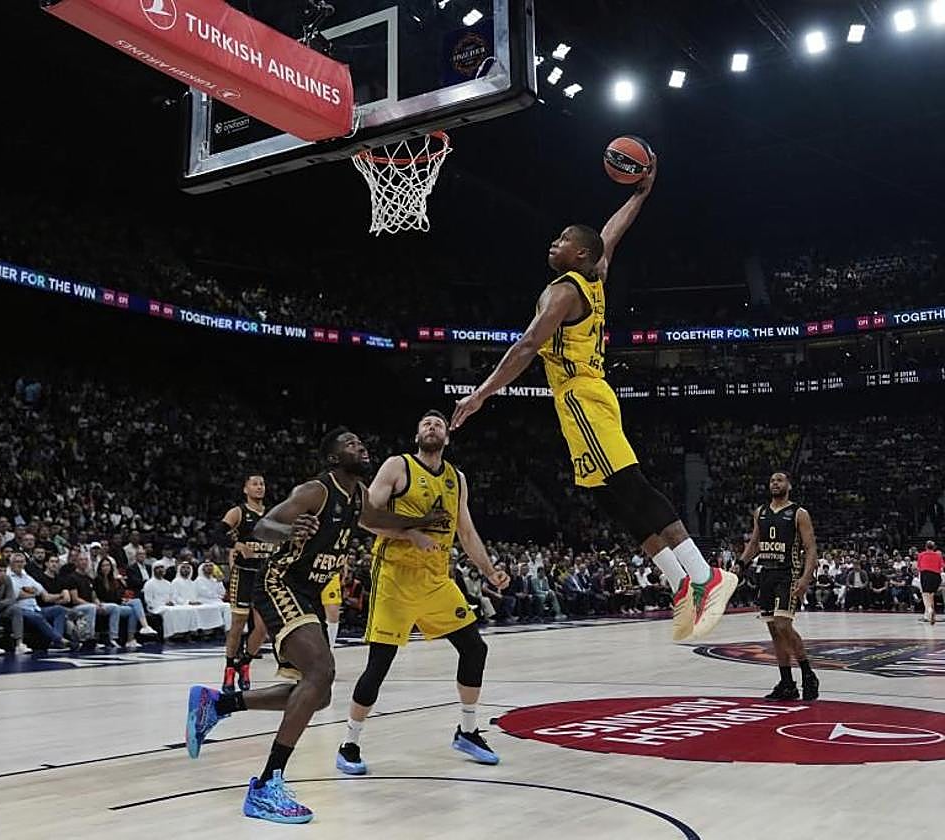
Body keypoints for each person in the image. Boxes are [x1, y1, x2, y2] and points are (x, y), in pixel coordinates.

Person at [449, 157, 737, 642]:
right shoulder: (596, 273)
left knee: (630, 485)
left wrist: (481, 393)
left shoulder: (562, 292)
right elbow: (611, 231)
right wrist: (640, 195)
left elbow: (526, 346)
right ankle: (679, 582)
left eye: (562, 240)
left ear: (580, 256)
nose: (553, 243)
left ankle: (705, 574)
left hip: (581, 395)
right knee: (608, 494)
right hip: (583, 397)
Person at [184, 427, 445, 824]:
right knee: (322, 672)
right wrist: (290, 530)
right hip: (279, 585)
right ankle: (266, 785)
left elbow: (378, 517)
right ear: (334, 459)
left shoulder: (357, 497)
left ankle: (219, 703)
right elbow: (263, 526)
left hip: (309, 596)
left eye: (362, 440)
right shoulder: (316, 491)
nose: (362, 445)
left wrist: (422, 520)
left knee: (318, 694)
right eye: (351, 443)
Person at [336, 410, 510, 777]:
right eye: (425, 424)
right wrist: (409, 533)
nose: (432, 427)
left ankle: (467, 731)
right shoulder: (397, 467)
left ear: (446, 438)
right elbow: (366, 517)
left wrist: (489, 570)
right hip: (395, 575)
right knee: (379, 664)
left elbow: (466, 531)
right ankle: (349, 743)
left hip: (435, 578)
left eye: (439, 425)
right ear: (417, 435)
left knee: (475, 648)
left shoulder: (456, 479)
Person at [738, 472, 819, 701]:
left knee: (783, 624)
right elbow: (754, 544)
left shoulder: (799, 513)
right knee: (774, 630)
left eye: (780, 480)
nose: (775, 483)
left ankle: (808, 674)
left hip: (789, 574)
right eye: (772, 480)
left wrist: (805, 579)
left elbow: (811, 548)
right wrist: (741, 563)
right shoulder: (760, 512)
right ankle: (787, 683)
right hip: (767, 573)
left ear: (789, 485)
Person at [214, 474, 274, 693]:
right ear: (245, 489)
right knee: (238, 625)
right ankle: (229, 668)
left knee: (263, 628)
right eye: (255, 484)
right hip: (244, 574)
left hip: (264, 575)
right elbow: (217, 533)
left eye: (262, 484)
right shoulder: (239, 512)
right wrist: (237, 544)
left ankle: (245, 662)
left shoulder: (272, 513)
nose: (259, 487)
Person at [917, 540, 942, 624]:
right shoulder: (938, 555)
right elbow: (941, 567)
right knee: (931, 595)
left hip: (926, 575)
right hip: (936, 576)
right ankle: (931, 615)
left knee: (925, 594)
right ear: (934, 547)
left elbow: (919, 567)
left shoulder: (921, 554)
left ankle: (929, 610)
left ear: (925, 547)